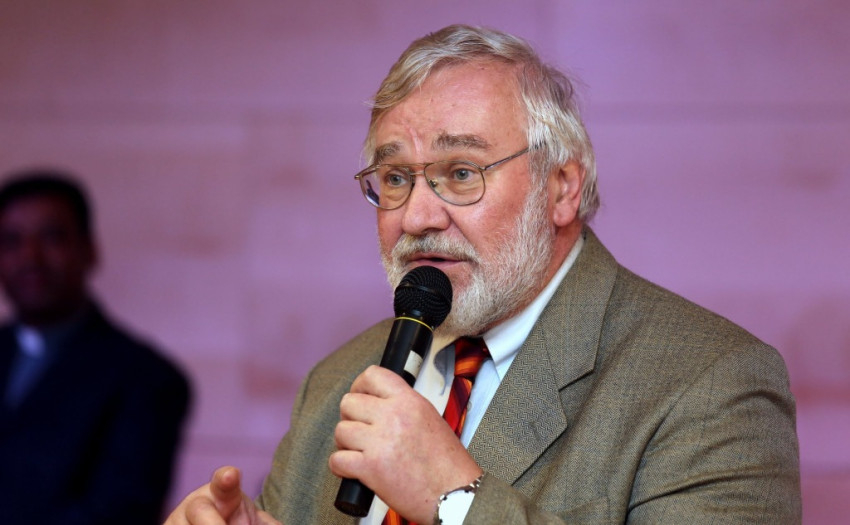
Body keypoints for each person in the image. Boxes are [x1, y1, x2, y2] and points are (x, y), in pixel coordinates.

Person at [167, 24, 800, 524]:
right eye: (395, 178)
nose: (416, 215)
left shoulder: (711, 384)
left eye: (461, 173)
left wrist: (456, 501)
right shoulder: (337, 382)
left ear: (561, 188)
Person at [0, 169, 192, 524]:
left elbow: (119, 513)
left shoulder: (147, 378)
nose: (30, 257)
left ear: (89, 249)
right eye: (12, 241)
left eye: (51, 237)